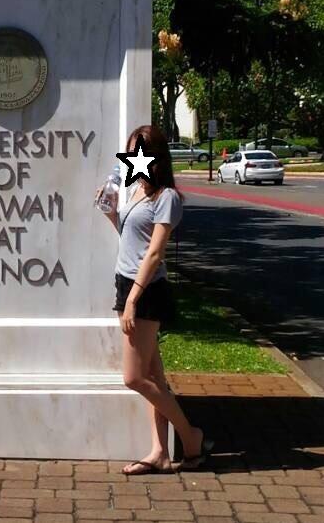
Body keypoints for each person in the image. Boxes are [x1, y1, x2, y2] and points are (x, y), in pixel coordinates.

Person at [97, 123, 213, 476]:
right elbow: (129, 236)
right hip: (126, 284)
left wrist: (133, 299)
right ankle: (160, 452)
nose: (130, 158)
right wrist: (110, 211)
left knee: (133, 378)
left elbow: (154, 253)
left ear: (154, 156)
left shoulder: (167, 199)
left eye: (137, 151)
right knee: (153, 376)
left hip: (145, 291)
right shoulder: (137, 193)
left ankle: (190, 436)